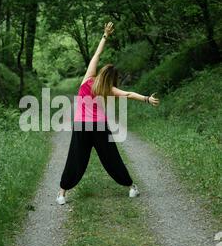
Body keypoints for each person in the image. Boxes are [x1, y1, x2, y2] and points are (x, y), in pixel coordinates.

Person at [56, 22, 159, 205]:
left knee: (75, 158)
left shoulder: (88, 79)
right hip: (100, 127)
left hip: (81, 126)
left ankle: (62, 194)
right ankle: (131, 187)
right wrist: (146, 99)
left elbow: (96, 54)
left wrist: (105, 35)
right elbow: (128, 94)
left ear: (100, 73)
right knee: (111, 158)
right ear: (112, 79)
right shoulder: (108, 89)